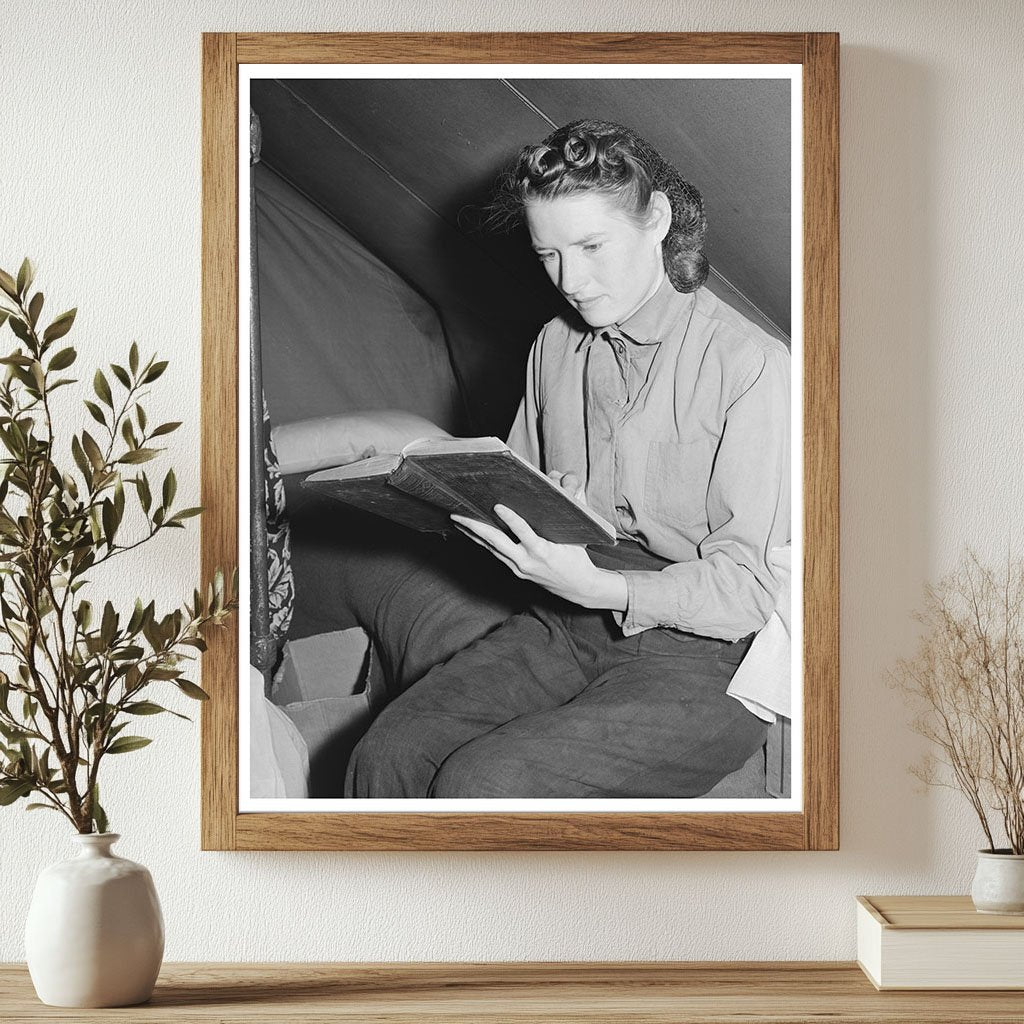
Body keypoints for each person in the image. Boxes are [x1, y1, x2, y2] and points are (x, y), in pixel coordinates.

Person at [342, 118, 790, 799]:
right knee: (390, 751)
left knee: (484, 782)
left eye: (591, 246)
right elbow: (519, 490)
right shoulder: (555, 344)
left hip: (706, 662)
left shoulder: (750, 365)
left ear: (658, 220)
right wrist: (464, 505)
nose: (570, 280)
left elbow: (752, 593)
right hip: (566, 623)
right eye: (547, 254)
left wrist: (604, 588)